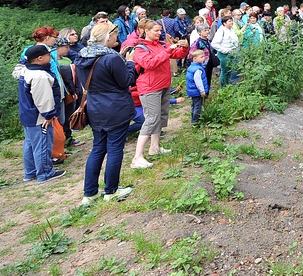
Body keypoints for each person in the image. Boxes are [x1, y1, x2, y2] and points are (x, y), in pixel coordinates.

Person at [77, 22, 136, 204]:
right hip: (115, 108)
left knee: (97, 148)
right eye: (115, 35)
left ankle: (90, 193)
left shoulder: (83, 56)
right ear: (107, 37)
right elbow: (126, 81)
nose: (117, 38)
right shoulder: (111, 59)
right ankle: (111, 191)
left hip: (95, 108)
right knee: (115, 149)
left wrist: (120, 58)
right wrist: (130, 63)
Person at [129, 19, 188, 169]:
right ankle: (137, 157)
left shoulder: (161, 44)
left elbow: (177, 54)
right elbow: (150, 64)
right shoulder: (140, 49)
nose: (159, 33)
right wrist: (168, 51)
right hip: (149, 88)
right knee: (151, 119)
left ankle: (154, 147)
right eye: (156, 30)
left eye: (160, 30)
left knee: (161, 117)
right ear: (146, 31)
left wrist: (184, 47)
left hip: (163, 85)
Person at [18, 44, 65, 183]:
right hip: (39, 116)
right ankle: (45, 173)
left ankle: (30, 172)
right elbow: (43, 98)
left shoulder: (25, 70)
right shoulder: (40, 76)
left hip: (27, 114)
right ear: (39, 58)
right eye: (48, 55)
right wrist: (49, 115)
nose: (51, 57)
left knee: (30, 144)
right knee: (42, 143)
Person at [211, 16, 239, 88]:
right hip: (224, 55)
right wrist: (225, 50)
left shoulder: (231, 29)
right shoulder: (221, 31)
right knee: (224, 71)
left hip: (232, 53)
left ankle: (228, 85)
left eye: (231, 21)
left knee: (229, 71)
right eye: (229, 21)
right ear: (224, 23)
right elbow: (214, 44)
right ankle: (223, 87)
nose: (231, 23)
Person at [186, 49, 209, 125]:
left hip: (192, 91)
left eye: (204, 56)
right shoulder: (198, 69)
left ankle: (193, 118)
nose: (204, 58)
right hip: (197, 91)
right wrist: (202, 91)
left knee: (193, 105)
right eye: (201, 57)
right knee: (198, 106)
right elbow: (198, 82)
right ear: (195, 58)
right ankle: (195, 121)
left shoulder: (191, 67)